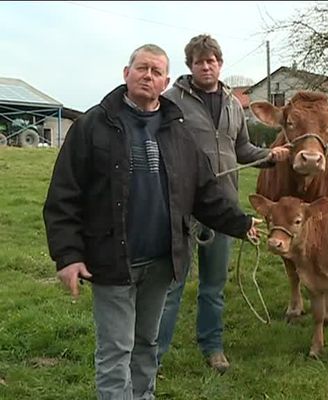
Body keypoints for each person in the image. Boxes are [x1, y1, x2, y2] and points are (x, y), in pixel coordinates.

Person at [42, 43, 261, 400]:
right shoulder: (93, 126)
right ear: (126, 73)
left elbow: (204, 193)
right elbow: (63, 196)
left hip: (161, 260)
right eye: (141, 68)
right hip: (112, 259)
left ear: (166, 82)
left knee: (147, 343)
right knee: (116, 349)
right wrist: (68, 255)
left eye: (156, 71)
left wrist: (240, 222)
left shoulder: (177, 131)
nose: (148, 75)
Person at [157, 34, 289, 373]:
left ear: (220, 63)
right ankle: (154, 355)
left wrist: (270, 157)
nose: (206, 66)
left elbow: (242, 150)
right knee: (172, 285)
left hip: (223, 209)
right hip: (182, 208)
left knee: (214, 286)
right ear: (190, 66)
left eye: (211, 60)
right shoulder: (171, 101)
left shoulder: (234, 104)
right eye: (199, 61)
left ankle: (213, 347)